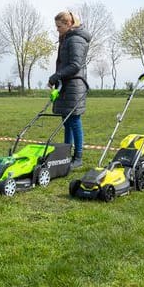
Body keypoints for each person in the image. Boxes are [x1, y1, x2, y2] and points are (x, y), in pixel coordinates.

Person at [48, 11, 91, 169]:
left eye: (59, 26)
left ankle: (78, 157)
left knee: (74, 121)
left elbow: (75, 65)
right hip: (66, 85)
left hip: (74, 85)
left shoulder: (75, 39)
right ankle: (66, 153)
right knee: (67, 122)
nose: (57, 29)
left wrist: (55, 76)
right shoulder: (67, 38)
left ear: (68, 24)